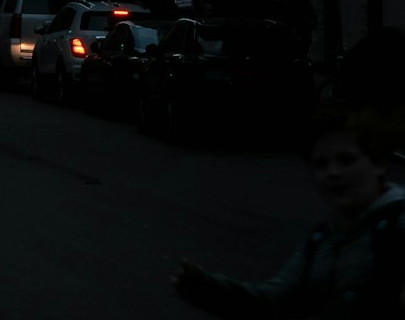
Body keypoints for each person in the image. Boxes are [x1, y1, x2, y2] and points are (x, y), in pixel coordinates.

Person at [172, 104, 405, 316]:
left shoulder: (397, 226)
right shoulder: (321, 240)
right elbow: (274, 300)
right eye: (321, 164)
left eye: (346, 160)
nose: (332, 173)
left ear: (378, 163)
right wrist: (210, 291)